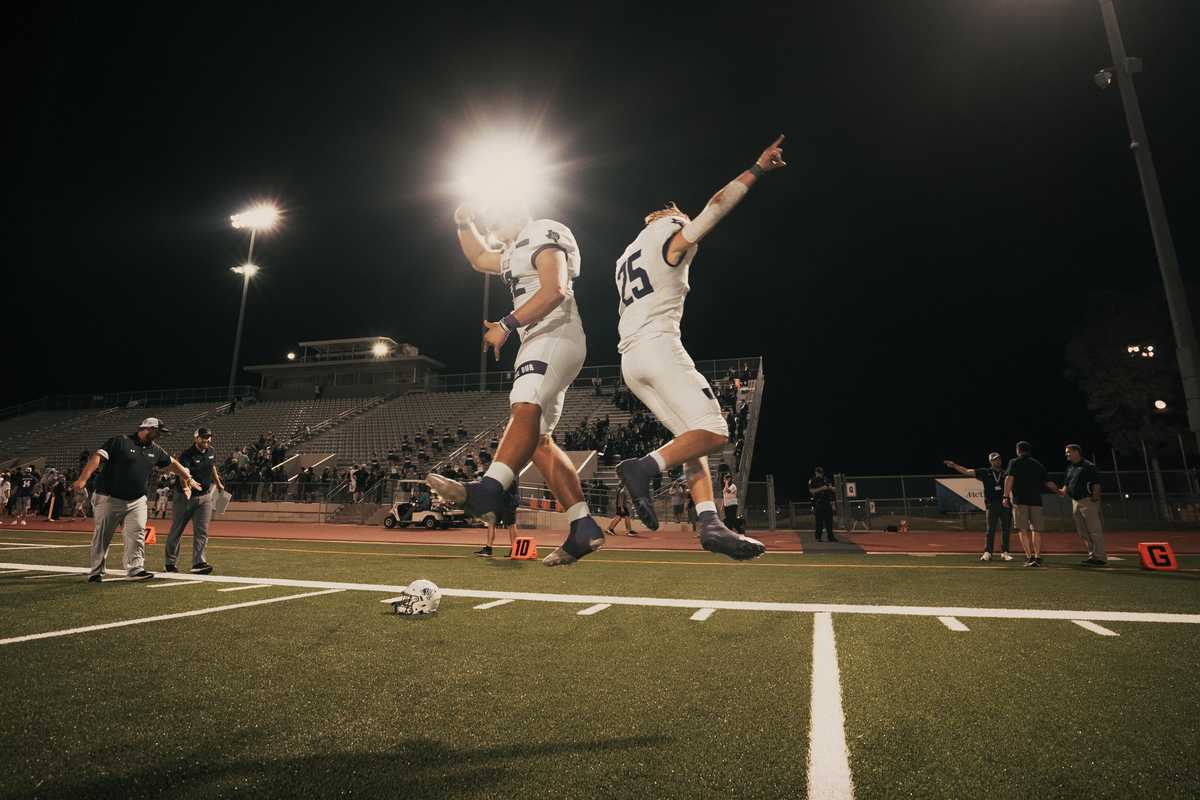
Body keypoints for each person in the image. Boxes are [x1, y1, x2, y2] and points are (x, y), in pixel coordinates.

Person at [612, 135, 785, 562]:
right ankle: (642, 467)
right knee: (715, 430)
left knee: (692, 438)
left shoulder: (627, 255)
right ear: (671, 219)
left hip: (630, 359)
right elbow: (717, 205)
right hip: (658, 345)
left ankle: (709, 523)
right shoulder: (670, 234)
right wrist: (757, 169)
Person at [428, 200, 605, 568]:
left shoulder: (541, 230)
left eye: (495, 213)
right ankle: (583, 526)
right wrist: (462, 221)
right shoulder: (511, 252)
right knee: (538, 441)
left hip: (555, 332)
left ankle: (488, 490)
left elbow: (555, 289)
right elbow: (479, 258)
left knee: (524, 404)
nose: (490, 221)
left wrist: (506, 325)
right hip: (541, 338)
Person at [72, 418, 200, 582]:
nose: (159, 435)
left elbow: (172, 463)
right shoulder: (121, 441)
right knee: (103, 535)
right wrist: (83, 479)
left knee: (137, 533)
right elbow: (97, 457)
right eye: (158, 431)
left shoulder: (155, 450)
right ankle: (96, 571)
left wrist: (188, 477)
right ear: (149, 428)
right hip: (109, 497)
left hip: (137, 500)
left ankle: (135, 569)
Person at [165, 428, 225, 575]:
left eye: (209, 437)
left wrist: (218, 483)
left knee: (202, 531)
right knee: (177, 530)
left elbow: (212, 466)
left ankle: (199, 562)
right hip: (185, 498)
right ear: (196, 438)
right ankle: (170, 563)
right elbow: (183, 473)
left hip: (205, 497)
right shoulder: (187, 455)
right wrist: (186, 488)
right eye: (204, 437)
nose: (207, 440)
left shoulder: (211, 451)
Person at [944, 452, 1014, 562]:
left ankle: (1005, 552)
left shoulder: (1005, 473)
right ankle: (988, 552)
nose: (997, 461)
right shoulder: (985, 472)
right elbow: (967, 471)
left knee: (1005, 529)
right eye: (995, 459)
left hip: (1005, 504)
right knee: (990, 529)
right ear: (990, 461)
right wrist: (954, 466)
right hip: (991, 504)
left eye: (999, 459)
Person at [1003, 441, 1059, 568]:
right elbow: (1048, 483)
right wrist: (1059, 491)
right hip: (1036, 501)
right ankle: (1037, 557)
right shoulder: (1038, 464)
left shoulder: (1014, 462)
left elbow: (1009, 479)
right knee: (1036, 530)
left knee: (1022, 530)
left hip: (1020, 500)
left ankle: (1029, 557)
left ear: (1018, 450)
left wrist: (1005, 497)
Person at [1061, 444, 1105, 566]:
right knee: (1083, 531)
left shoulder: (1088, 466)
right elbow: (1066, 484)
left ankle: (1100, 557)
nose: (1066, 454)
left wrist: (1095, 497)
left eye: (1068, 452)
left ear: (1076, 452)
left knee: (1094, 530)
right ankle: (1092, 556)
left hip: (1087, 500)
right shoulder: (1070, 467)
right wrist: (1060, 491)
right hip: (1075, 501)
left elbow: (1096, 483)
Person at [476, 485, 520, 558]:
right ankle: (488, 549)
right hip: (498, 500)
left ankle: (515, 549)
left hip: (509, 500)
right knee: (491, 522)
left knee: (511, 524)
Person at [809, 466, 838, 542]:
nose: (819, 474)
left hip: (827, 502)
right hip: (818, 502)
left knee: (829, 521)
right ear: (815, 472)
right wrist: (822, 488)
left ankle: (830, 537)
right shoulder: (813, 480)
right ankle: (818, 537)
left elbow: (832, 491)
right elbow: (811, 491)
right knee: (819, 521)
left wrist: (831, 488)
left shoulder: (826, 479)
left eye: (821, 472)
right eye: (818, 472)